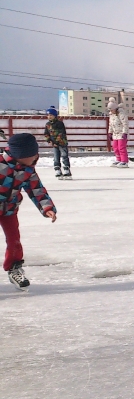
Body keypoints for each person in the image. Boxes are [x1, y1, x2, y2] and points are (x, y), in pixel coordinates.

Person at [1, 133, 57, 291]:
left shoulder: (27, 169)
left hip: (9, 210)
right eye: (32, 154)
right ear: (20, 154)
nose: (36, 157)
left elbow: (37, 189)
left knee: (14, 240)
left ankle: (14, 268)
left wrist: (47, 208)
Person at [44, 107, 71, 180]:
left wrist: (56, 142)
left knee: (64, 156)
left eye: (51, 115)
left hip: (62, 143)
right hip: (54, 144)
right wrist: (49, 141)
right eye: (48, 115)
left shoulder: (59, 123)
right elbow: (46, 133)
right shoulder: (48, 124)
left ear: (55, 115)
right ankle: (57, 170)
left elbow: (61, 133)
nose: (49, 117)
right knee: (56, 157)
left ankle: (66, 169)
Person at [107, 98, 130, 168]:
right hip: (115, 134)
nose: (111, 111)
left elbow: (125, 123)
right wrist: (110, 133)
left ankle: (124, 161)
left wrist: (125, 133)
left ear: (115, 108)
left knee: (121, 147)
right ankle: (118, 159)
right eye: (110, 110)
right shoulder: (111, 115)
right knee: (115, 147)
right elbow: (110, 124)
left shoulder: (121, 113)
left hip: (122, 133)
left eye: (112, 109)